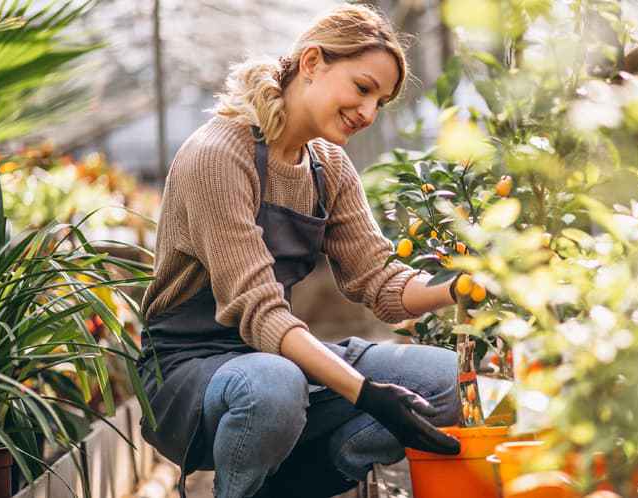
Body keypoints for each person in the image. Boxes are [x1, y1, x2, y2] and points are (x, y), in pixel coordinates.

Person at [136, 4, 464, 498]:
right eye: (362, 87)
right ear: (312, 62)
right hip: (189, 372)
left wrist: (463, 284)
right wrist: (367, 394)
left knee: (441, 380)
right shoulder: (219, 156)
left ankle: (297, 485)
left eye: (380, 101)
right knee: (273, 386)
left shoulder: (327, 165)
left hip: (274, 359)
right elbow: (262, 314)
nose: (369, 113)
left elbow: (381, 283)